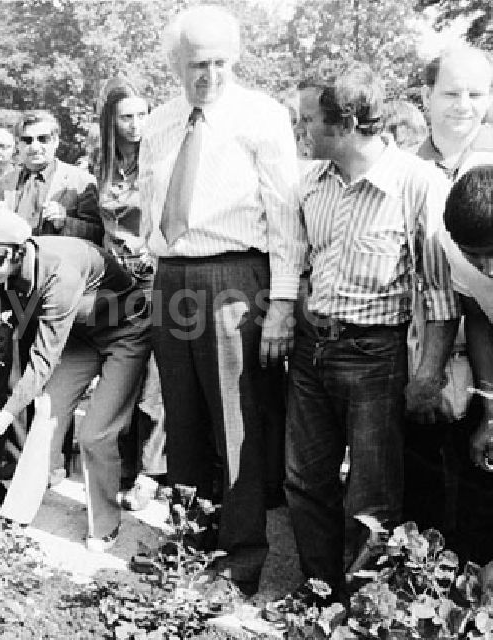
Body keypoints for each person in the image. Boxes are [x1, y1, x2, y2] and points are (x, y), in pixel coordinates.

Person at [137, 4, 303, 595]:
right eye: (196, 64)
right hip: (173, 277)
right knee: (182, 416)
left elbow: (286, 218)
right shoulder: (159, 120)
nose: (209, 75)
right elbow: (149, 206)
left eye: (220, 62)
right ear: (175, 64)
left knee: (237, 418)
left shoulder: (262, 116)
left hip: (235, 277)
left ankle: (243, 554)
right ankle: (191, 536)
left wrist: (282, 303)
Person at [285, 64, 457, 600]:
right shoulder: (311, 183)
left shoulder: (416, 183)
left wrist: (427, 375)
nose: (302, 130)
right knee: (305, 481)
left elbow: (440, 294)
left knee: (372, 496)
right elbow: (304, 263)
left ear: (347, 123)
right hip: (313, 350)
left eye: (309, 120)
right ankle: (317, 598)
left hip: (375, 355)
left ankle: (363, 612)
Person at [0, 203, 151, 551]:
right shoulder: (8, 269)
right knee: (46, 414)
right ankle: (16, 515)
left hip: (125, 332)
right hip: (82, 334)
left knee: (95, 433)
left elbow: (43, 358)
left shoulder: (59, 274)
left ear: (11, 253)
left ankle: (104, 524)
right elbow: (11, 332)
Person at [405, 46, 493, 535]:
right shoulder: (407, 167)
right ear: (427, 96)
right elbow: (476, 308)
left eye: (476, 94)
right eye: (451, 92)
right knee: (444, 491)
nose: (463, 104)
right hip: (443, 351)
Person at [94, 75, 166, 509]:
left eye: (142, 115)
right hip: (117, 281)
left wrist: (149, 242)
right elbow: (101, 218)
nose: (136, 125)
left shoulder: (159, 158)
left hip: (156, 275)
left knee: (156, 377)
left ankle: (150, 471)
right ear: (111, 120)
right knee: (122, 369)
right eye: (126, 117)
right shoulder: (101, 161)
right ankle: (120, 460)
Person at [437, 164, 493, 564]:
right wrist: (491, 414)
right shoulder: (451, 247)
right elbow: (477, 319)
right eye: (476, 257)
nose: (487, 269)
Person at [0, 110, 102, 244]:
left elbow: (100, 235)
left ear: (56, 141)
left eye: (43, 139)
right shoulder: (4, 184)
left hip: (60, 262)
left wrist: (65, 222)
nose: (35, 147)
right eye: (27, 140)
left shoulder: (81, 182)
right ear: (18, 144)